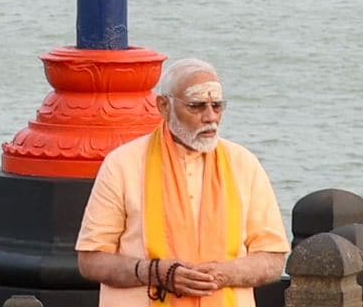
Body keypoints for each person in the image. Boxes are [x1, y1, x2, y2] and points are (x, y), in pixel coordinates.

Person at [77, 57, 289, 307]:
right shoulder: (123, 164)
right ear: (164, 106)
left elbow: (273, 258)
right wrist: (156, 273)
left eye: (217, 106)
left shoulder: (243, 163)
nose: (210, 117)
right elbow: (90, 260)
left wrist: (224, 275)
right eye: (197, 106)